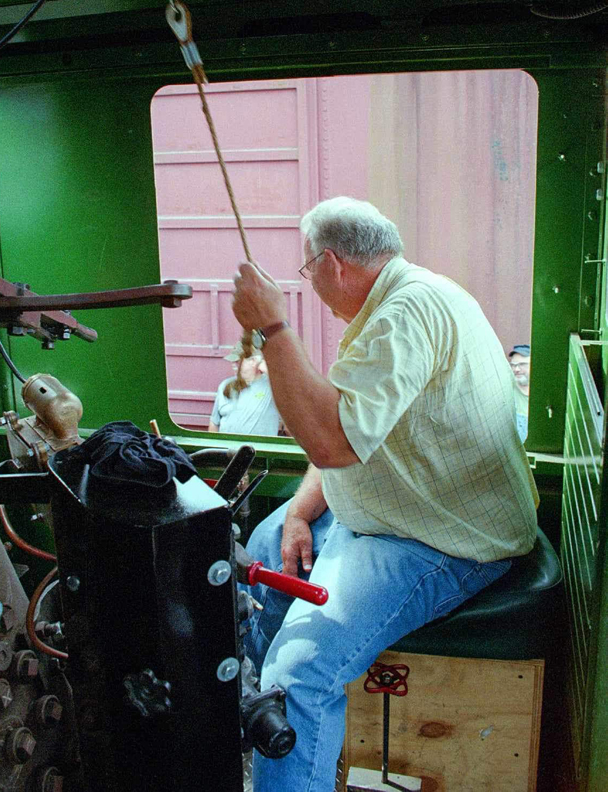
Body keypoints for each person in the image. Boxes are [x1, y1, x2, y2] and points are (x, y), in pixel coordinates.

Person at [231, 196, 539, 792]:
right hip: (389, 512)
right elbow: (355, 422)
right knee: (260, 555)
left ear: (331, 263)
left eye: (306, 269)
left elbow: (333, 438)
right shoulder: (397, 303)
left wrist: (272, 327)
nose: (308, 281)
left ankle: (285, 716)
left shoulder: (404, 314)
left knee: (299, 670)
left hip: (442, 539)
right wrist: (298, 513)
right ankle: (273, 746)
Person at [208, 341, 281, 437]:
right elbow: (214, 423)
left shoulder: (272, 386)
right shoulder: (225, 385)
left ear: (253, 361)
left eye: (238, 361)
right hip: (227, 450)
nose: (234, 365)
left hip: (259, 450)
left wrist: (268, 369)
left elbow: (294, 388)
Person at [509, 344, 530, 443]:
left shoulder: (542, 394)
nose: (516, 369)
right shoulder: (507, 390)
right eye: (513, 365)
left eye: (522, 364)